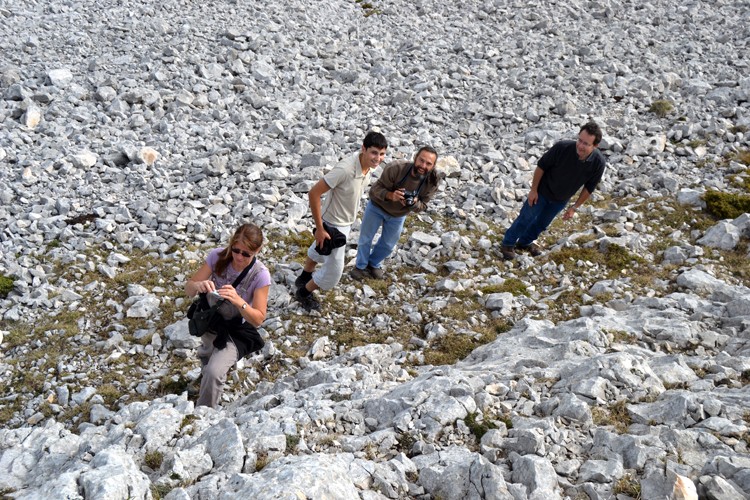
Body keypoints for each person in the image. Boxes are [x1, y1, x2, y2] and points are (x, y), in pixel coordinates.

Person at [294, 131, 388, 310]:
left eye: (382, 154)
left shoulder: (369, 166)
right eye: (374, 152)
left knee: (321, 248)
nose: (378, 158)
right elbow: (314, 193)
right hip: (333, 223)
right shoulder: (344, 170)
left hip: (346, 221)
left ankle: (305, 275)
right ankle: (303, 293)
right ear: (363, 149)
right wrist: (320, 229)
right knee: (334, 271)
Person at [185, 223, 271, 408]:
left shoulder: (260, 275)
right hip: (211, 321)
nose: (239, 257)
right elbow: (189, 288)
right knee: (207, 360)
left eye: (246, 254)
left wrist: (239, 300)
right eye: (236, 250)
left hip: (235, 330)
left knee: (215, 371)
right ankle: (204, 382)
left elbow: (258, 318)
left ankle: (203, 413)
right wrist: (199, 286)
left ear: (257, 251)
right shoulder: (217, 256)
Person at [501, 121, 606, 260]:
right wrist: (533, 190)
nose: (580, 146)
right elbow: (541, 167)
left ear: (595, 146)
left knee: (542, 224)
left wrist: (574, 207)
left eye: (586, 144)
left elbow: (589, 187)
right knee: (526, 217)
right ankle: (508, 243)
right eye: (579, 140)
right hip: (542, 192)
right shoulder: (562, 148)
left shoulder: (598, 163)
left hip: (561, 199)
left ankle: (525, 242)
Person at [350, 146, 441, 280]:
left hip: (398, 214)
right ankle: (360, 266)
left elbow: (424, 205)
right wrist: (390, 195)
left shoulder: (432, 181)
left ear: (433, 166)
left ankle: (373, 264)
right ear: (415, 158)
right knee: (366, 238)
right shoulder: (396, 168)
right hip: (377, 206)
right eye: (421, 160)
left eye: (428, 163)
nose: (423, 165)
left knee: (388, 244)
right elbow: (374, 190)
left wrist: (414, 203)